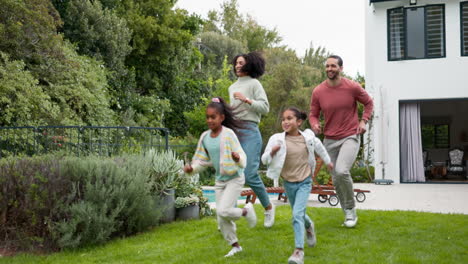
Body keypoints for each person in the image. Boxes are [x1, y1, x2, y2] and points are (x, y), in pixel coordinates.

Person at [183, 97, 257, 257]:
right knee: (221, 217)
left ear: (222, 118)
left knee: (223, 211)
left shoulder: (229, 134)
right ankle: (236, 246)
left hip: (235, 178)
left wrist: (238, 159)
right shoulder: (205, 137)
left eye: (213, 117)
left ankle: (245, 211)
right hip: (220, 180)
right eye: (207, 117)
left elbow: (242, 155)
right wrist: (191, 169)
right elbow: (201, 160)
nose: (209, 120)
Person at [309, 55, 374, 228]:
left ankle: (351, 209)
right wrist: (315, 124)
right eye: (327, 66)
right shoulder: (318, 91)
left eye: (333, 66)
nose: (330, 69)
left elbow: (369, 103)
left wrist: (363, 121)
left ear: (341, 68)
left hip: (350, 136)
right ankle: (346, 212)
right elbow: (313, 114)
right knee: (336, 178)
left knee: (342, 171)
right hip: (330, 140)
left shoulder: (352, 86)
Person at [262, 107, 333, 264]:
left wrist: (328, 162)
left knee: (296, 215)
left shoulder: (307, 138)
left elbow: (320, 147)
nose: (285, 122)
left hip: (305, 181)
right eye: (283, 119)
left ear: (299, 122)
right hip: (288, 182)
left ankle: (298, 252)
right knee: (298, 213)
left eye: (289, 118)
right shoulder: (276, 139)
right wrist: (272, 153)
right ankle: (309, 226)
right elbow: (264, 159)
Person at [229, 51, 275, 228]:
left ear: (250, 65)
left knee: (249, 174)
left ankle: (268, 208)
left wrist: (247, 100)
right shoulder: (232, 87)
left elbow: (265, 108)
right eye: (236, 63)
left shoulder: (255, 84)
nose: (237, 65)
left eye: (241, 63)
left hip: (250, 131)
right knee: (232, 174)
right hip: (234, 132)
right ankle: (230, 217)